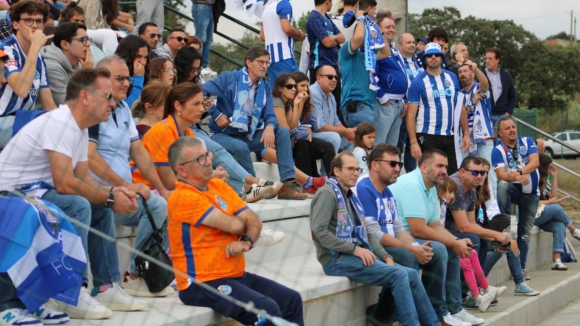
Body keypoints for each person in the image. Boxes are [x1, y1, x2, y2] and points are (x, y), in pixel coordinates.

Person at [0, 68, 147, 320]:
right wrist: (110, 197)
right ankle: (71, 291)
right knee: (79, 205)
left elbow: (84, 179)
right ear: (85, 97)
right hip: (9, 195)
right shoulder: (61, 122)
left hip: (34, 193)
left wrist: (113, 192)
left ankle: (106, 286)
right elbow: (66, 184)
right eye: (107, 96)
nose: (113, 103)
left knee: (99, 206)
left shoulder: (79, 127)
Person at [166, 136, 304, 325]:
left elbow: (254, 220)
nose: (208, 161)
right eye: (199, 159)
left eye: (207, 155)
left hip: (234, 275)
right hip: (201, 282)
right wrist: (243, 225)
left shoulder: (218, 186)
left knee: (292, 300)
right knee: (267, 309)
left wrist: (246, 241)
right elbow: (234, 225)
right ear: (181, 170)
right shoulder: (182, 196)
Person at [132, 82, 290, 246]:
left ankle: (250, 226)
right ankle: (247, 229)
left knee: (217, 185)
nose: (202, 109)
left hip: (170, 190)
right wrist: (209, 177)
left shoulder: (188, 133)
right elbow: (169, 181)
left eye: (202, 103)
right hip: (148, 190)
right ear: (178, 105)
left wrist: (213, 176)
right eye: (196, 104)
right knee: (208, 188)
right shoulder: (163, 131)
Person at [310, 151, 440, 326]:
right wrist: (355, 249)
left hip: (355, 254)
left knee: (411, 274)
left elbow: (367, 235)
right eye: (350, 169)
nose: (355, 173)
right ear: (336, 171)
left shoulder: (350, 196)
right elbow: (318, 232)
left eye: (357, 169)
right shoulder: (328, 193)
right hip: (335, 258)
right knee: (400, 275)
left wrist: (386, 256)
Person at [88, 56, 173, 297]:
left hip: (123, 192)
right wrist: (126, 185)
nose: (127, 82)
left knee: (164, 202)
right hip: (100, 192)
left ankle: (152, 272)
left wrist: (161, 187)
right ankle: (135, 275)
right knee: (156, 205)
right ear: (102, 80)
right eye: (120, 78)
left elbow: (139, 152)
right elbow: (89, 157)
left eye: (128, 77)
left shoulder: (124, 107)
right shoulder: (92, 108)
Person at [204, 47, 324, 199]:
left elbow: (270, 115)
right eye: (260, 62)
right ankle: (255, 188)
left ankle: (287, 186)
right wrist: (216, 114)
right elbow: (201, 92)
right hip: (221, 134)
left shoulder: (265, 86)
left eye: (267, 63)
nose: (265, 66)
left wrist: (269, 126)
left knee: (282, 132)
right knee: (241, 147)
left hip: (246, 134)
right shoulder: (229, 78)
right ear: (248, 62)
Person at [389, 149, 483, 326]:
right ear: (424, 167)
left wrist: (456, 242)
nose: (444, 171)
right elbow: (418, 229)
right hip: (395, 238)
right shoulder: (413, 185)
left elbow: (434, 225)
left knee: (453, 246)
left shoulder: (431, 186)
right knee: (440, 249)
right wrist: (453, 243)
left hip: (410, 235)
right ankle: (439, 313)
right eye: (439, 166)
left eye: (446, 166)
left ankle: (454, 308)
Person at [436, 178, 506, 313]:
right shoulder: (435, 204)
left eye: (453, 192)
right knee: (465, 255)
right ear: (439, 190)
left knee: (472, 252)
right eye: (450, 192)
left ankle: (483, 292)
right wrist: (456, 241)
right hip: (435, 241)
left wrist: (457, 240)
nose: (452, 196)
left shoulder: (443, 204)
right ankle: (478, 296)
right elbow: (435, 228)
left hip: (444, 238)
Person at [474, 157, 541, 298]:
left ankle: (520, 284)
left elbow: (489, 215)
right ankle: (478, 285)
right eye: (477, 172)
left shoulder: (486, 188)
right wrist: (494, 235)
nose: (482, 176)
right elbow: (468, 225)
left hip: (483, 229)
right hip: (472, 234)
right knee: (502, 247)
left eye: (485, 172)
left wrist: (495, 235)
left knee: (507, 235)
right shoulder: (467, 191)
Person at [0, 0, 57, 148]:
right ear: (15, 24)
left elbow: (49, 104)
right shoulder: (5, 51)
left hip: (21, 121)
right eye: (28, 20)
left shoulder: (39, 58)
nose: (34, 25)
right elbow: (21, 89)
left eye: (39, 21)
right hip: (3, 119)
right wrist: (35, 47)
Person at [406, 43, 470, 175]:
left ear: (442, 57)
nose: (433, 57)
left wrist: (466, 133)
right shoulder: (418, 82)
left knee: (454, 175)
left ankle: (448, 197)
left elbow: (460, 106)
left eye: (437, 55)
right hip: (427, 134)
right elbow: (410, 115)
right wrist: (413, 142)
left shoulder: (452, 77)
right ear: (425, 59)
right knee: (430, 174)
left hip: (450, 134)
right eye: (429, 55)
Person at [492, 116, 540, 278]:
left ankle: (521, 269)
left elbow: (535, 163)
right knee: (503, 186)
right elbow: (501, 176)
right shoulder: (497, 150)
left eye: (513, 127)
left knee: (524, 233)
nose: (512, 130)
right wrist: (517, 178)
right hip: (513, 190)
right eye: (507, 128)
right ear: (500, 133)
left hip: (531, 194)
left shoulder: (527, 141)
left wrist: (519, 173)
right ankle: (504, 222)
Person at [272, 73, 334, 187]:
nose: (293, 89)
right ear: (280, 88)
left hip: (287, 139)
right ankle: (308, 182)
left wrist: (297, 104)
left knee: (327, 146)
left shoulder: (288, 105)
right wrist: (300, 133)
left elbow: (293, 125)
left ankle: (331, 180)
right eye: (289, 86)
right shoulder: (276, 101)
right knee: (302, 143)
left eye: (294, 86)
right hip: (275, 142)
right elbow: (285, 128)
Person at [339, 9, 390, 129]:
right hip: (357, 106)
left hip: (369, 107)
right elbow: (359, 37)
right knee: (360, 146)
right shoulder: (346, 51)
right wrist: (361, 18)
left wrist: (378, 31)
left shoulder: (369, 54)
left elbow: (386, 52)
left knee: (367, 147)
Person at [457, 62, 497, 197]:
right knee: (465, 174)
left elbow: (485, 83)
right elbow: (459, 115)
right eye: (460, 72)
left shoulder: (479, 88)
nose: (462, 74)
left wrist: (474, 67)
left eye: (465, 71)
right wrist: (472, 102)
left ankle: (492, 211)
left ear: (473, 74)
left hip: (484, 138)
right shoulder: (459, 95)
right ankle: (470, 207)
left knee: (488, 175)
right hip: (465, 139)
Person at [535, 153, 580, 270]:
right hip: (530, 216)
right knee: (556, 208)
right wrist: (552, 202)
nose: (551, 169)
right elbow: (533, 203)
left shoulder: (544, 181)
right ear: (543, 167)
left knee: (559, 225)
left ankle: (556, 260)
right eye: (549, 167)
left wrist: (554, 176)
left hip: (540, 214)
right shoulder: (533, 180)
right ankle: (573, 230)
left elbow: (553, 196)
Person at [306, 0, 344, 116]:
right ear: (327, 1)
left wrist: (332, 38)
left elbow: (342, 38)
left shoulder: (327, 18)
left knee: (335, 106)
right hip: (320, 66)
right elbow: (327, 42)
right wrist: (331, 39)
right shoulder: (314, 17)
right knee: (319, 107)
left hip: (333, 66)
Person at [374, 14, 407, 147]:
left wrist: (404, 100)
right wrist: (382, 97)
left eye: (393, 27)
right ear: (379, 29)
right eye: (388, 27)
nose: (392, 29)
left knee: (391, 148)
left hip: (398, 105)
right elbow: (371, 76)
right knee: (379, 146)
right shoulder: (376, 48)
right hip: (385, 104)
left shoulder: (394, 51)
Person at [42, 22, 92, 106]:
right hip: (43, 116)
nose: (88, 44)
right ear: (64, 45)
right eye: (82, 40)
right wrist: (87, 74)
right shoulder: (51, 67)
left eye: (88, 39)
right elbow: (69, 104)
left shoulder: (78, 63)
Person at [310, 65, 355, 154]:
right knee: (334, 137)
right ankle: (329, 168)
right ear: (319, 78)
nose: (334, 80)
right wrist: (345, 131)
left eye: (336, 77)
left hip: (323, 134)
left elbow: (336, 122)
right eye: (330, 77)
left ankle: (346, 167)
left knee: (350, 141)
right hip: (309, 135)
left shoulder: (330, 96)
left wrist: (349, 133)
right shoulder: (313, 92)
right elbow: (319, 127)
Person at [259, 0, 304, 85]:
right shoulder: (284, 4)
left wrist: (292, 38)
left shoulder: (266, 9)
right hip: (284, 56)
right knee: (299, 88)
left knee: (277, 94)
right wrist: (299, 34)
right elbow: (287, 28)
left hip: (270, 59)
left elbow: (262, 36)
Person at [396, 32, 422, 173]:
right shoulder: (396, 60)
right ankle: (396, 177)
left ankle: (412, 174)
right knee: (398, 145)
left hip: (418, 110)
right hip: (402, 109)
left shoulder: (418, 62)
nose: (412, 45)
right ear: (399, 45)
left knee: (414, 145)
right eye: (408, 42)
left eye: (413, 42)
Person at [483, 48, 516, 125]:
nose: (487, 61)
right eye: (486, 58)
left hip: (502, 116)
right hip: (486, 115)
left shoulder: (506, 75)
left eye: (490, 59)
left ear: (497, 60)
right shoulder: (481, 73)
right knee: (488, 137)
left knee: (501, 137)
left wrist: (508, 113)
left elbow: (512, 96)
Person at [114, 35, 149, 107]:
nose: (143, 62)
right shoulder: (114, 74)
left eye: (145, 57)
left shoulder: (146, 71)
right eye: (138, 57)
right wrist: (138, 78)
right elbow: (124, 107)